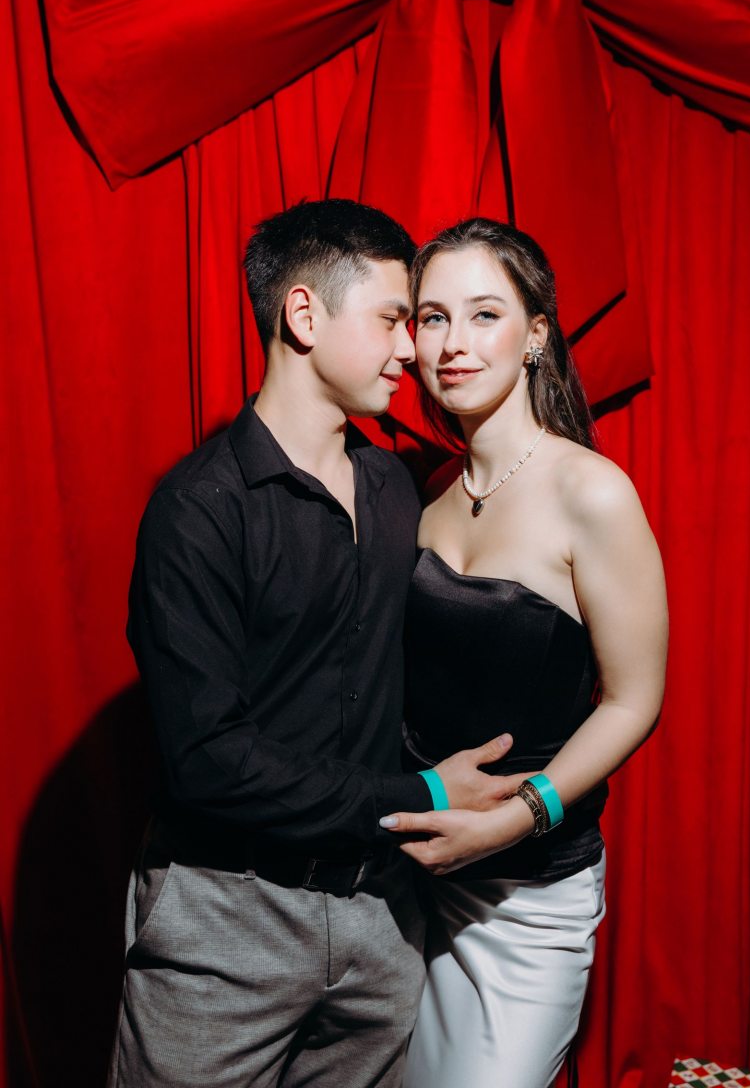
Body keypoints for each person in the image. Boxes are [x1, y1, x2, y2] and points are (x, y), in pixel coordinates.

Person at [107, 200, 531, 1088]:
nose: (411, 350)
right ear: (303, 315)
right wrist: (419, 794)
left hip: (383, 916)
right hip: (228, 917)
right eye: (391, 319)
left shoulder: (396, 488)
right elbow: (209, 761)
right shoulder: (198, 511)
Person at [378, 217, 669, 1088]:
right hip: (411, 884)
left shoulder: (593, 493)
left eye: (484, 314)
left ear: (536, 335)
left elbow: (634, 700)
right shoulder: (432, 494)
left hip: (529, 898)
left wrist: (518, 817)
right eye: (433, 318)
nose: (453, 344)